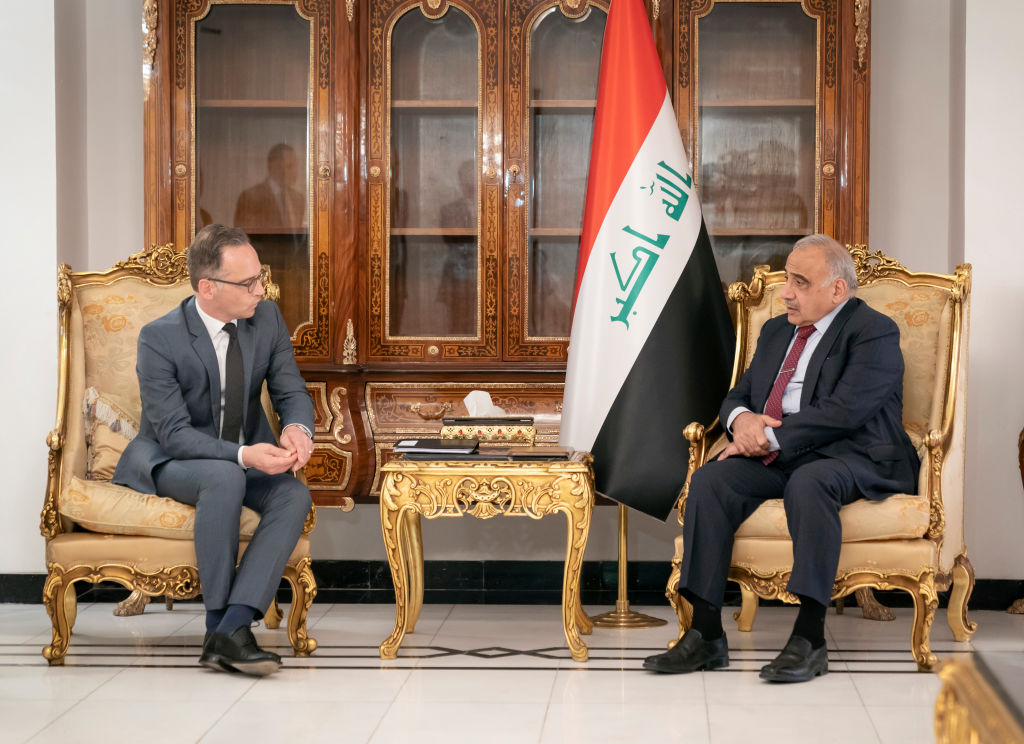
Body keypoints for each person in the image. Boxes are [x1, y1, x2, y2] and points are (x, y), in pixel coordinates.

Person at [643, 234, 919, 683]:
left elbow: (845, 412)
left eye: (800, 282)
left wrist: (766, 439)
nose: (786, 292)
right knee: (712, 480)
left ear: (837, 290)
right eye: (787, 279)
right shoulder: (776, 330)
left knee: (809, 482)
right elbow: (738, 395)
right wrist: (742, 422)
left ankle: (810, 638)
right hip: (783, 452)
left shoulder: (874, 331)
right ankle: (706, 633)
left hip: (854, 454)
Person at [113, 224, 315, 677]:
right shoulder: (159, 338)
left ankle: (231, 627)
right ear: (208, 288)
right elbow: (174, 434)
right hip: (173, 460)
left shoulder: (267, 319)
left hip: (244, 455)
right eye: (249, 283)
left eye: (260, 276)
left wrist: (299, 430)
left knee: (293, 494)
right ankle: (217, 627)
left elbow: (290, 391)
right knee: (225, 475)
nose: (261, 289)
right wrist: (245, 456)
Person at [233, 143, 305, 230]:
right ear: (274, 166)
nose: (295, 172)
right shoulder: (250, 198)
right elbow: (243, 237)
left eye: (295, 166)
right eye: (290, 166)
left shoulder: (298, 199)